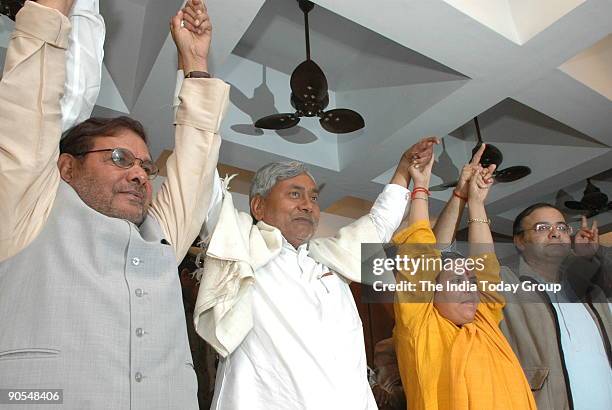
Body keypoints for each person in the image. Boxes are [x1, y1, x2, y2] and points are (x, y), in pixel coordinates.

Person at [0, 1, 229, 408]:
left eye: (144, 165)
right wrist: (53, 8)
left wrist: (194, 61)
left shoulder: (159, 240)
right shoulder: (28, 213)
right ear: (67, 167)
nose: (140, 174)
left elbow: (196, 164)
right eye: (119, 159)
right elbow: (26, 105)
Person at [191, 133, 439, 409]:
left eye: (313, 197)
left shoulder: (331, 257)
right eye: (294, 194)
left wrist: (404, 169)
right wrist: (201, 117)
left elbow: (380, 222)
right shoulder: (241, 248)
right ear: (258, 206)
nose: (308, 205)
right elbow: (201, 182)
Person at [391, 150, 536, 409]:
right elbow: (419, 254)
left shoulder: (484, 321)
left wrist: (476, 201)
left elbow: (487, 265)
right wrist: (421, 188)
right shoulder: (420, 327)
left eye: (470, 281)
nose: (470, 289)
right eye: (458, 282)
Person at [500, 204, 612, 409]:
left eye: (562, 228)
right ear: (520, 241)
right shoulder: (508, 290)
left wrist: (587, 258)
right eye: (542, 228)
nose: (555, 234)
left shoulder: (592, 293)